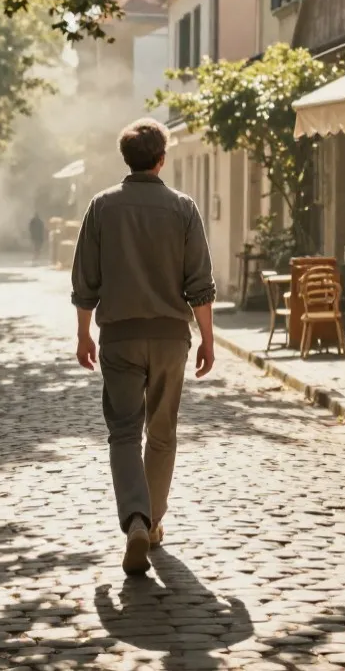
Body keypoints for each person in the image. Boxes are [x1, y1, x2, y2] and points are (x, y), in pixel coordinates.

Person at [70, 117, 216, 576]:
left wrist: (83, 332)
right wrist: (208, 340)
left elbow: (85, 280)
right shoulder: (183, 208)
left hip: (120, 338)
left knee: (124, 432)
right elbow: (200, 283)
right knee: (163, 431)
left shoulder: (101, 207)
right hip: (172, 338)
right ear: (162, 159)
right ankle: (152, 524)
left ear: (126, 159)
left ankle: (134, 517)